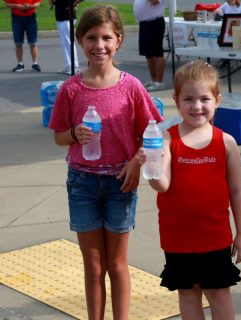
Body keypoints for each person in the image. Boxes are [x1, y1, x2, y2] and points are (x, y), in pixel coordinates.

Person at [48, 5, 162, 319]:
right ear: (80, 42)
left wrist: (136, 164)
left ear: (119, 40)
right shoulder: (71, 89)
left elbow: (150, 135)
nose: (99, 45)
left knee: (117, 264)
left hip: (120, 184)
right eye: (91, 38)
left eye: (106, 38)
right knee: (94, 265)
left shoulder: (132, 87)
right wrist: (74, 133)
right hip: (82, 184)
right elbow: (59, 136)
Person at [139, 60, 241, 320]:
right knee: (188, 294)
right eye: (188, 99)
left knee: (219, 294)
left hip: (215, 237)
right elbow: (162, 185)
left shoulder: (227, 143)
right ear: (176, 101)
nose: (196, 106)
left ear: (217, 100)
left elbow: (237, 192)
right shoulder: (167, 139)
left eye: (204, 99)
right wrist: (151, 167)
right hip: (178, 238)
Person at [133, 0, 167, 92]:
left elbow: (154, 1)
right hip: (145, 23)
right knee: (149, 54)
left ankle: (159, 82)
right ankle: (153, 80)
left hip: (155, 22)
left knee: (156, 53)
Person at [4, 0, 41, 72]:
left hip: (31, 18)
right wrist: (17, 6)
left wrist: (30, 6)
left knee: (33, 42)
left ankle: (35, 64)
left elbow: (38, 3)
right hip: (17, 18)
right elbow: (7, 3)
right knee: (18, 43)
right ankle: (20, 64)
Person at [48, 0, 82, 75]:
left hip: (67, 17)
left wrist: (75, 3)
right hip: (60, 16)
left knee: (68, 42)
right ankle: (69, 65)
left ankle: (74, 66)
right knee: (65, 43)